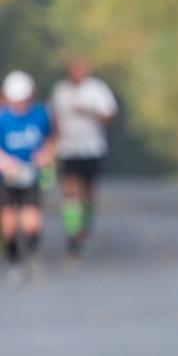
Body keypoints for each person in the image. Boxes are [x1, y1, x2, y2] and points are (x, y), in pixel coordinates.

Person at [49, 58, 119, 255]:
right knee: (70, 189)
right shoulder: (60, 91)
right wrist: (53, 141)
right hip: (68, 148)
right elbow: (53, 116)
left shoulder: (97, 89)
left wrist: (88, 112)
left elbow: (110, 116)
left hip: (92, 147)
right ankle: (73, 233)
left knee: (87, 191)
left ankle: (86, 229)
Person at [1, 71, 55, 285]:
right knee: (9, 223)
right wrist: (6, 163)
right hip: (6, 178)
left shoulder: (41, 114)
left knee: (31, 222)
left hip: (32, 175)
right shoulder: (2, 118)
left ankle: (32, 256)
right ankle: (14, 262)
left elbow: (51, 139)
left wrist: (45, 155)